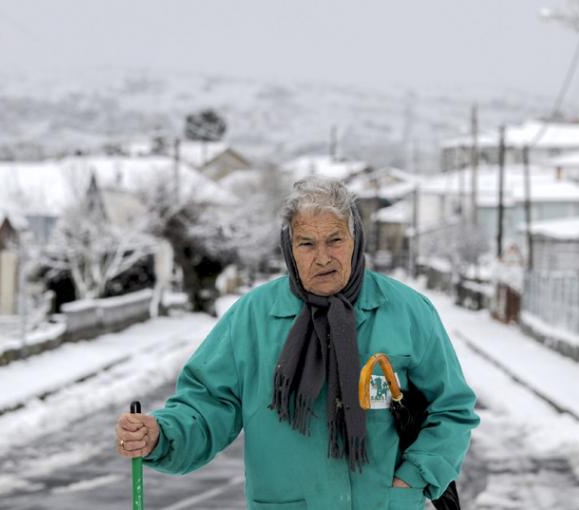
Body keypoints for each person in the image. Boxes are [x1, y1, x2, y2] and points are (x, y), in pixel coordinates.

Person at [115, 176, 480, 510]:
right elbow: (208, 404)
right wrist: (162, 434)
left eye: (335, 240)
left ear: (355, 240)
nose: (323, 257)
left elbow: (452, 409)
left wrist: (414, 479)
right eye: (307, 243)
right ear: (290, 248)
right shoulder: (252, 318)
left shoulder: (407, 311)